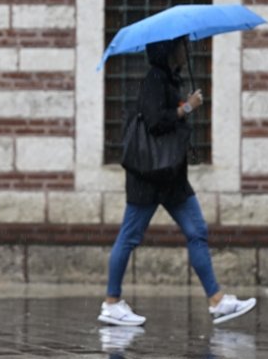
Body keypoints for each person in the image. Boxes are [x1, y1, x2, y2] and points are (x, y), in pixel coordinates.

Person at [98, 37, 256, 326]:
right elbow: (155, 122)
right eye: (182, 46)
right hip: (148, 176)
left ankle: (217, 300)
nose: (187, 50)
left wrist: (184, 105)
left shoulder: (169, 79)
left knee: (197, 231)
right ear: (168, 51)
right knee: (129, 236)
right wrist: (188, 108)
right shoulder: (154, 79)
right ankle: (111, 303)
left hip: (170, 176)